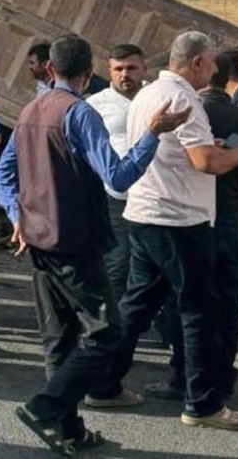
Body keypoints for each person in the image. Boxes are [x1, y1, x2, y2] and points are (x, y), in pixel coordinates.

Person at [0, 34, 187, 454]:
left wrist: (17, 218)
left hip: (40, 242)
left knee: (58, 339)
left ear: (49, 68)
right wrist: (152, 134)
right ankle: (45, 408)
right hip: (75, 241)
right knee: (106, 333)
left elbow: (2, 175)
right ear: (88, 73)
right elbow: (117, 178)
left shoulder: (30, 110)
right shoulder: (79, 113)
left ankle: (68, 430)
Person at [94, 31, 238, 431]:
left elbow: (180, 150)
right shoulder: (184, 98)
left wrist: (212, 146)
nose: (216, 69)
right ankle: (202, 405)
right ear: (200, 62)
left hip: (146, 212)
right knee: (197, 310)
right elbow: (206, 162)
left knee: (136, 306)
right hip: (178, 220)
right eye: (212, 62)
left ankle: (103, 383)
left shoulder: (149, 94)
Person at [146, 49, 238, 402]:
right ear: (227, 78)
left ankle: (183, 376)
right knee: (226, 301)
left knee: (187, 301)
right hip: (228, 214)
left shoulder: (188, 111)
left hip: (192, 214)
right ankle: (223, 377)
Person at [85, 44, 145, 305]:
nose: (125, 74)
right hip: (114, 195)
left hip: (153, 194)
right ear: (109, 71)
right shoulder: (95, 105)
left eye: (131, 68)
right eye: (118, 69)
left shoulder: (155, 98)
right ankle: (110, 322)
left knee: (151, 262)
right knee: (118, 261)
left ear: (143, 69)